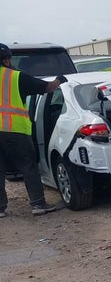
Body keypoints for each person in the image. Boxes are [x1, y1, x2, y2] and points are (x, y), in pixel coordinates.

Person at [0, 42, 66, 217]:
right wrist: (60, 79)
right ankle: (38, 204)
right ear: (6, 61)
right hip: (14, 130)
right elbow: (48, 88)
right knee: (27, 166)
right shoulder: (14, 77)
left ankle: (0, 209)